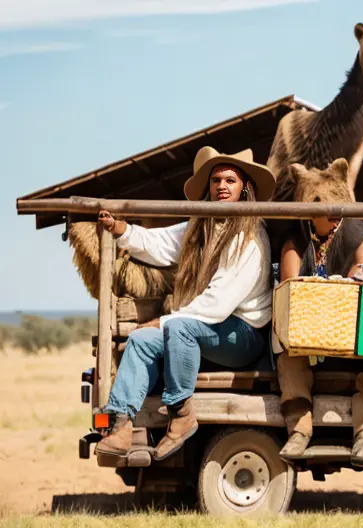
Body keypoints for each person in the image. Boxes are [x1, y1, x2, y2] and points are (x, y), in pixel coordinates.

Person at [94, 146, 276, 461]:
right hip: (205, 328)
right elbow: (160, 243)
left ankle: (181, 413)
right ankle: (121, 424)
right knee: (140, 339)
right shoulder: (201, 226)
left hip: (243, 335)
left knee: (176, 327)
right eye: (216, 180)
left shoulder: (250, 237)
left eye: (230, 180)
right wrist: (121, 230)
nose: (221, 186)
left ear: (245, 188)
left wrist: (163, 321)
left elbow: (219, 302)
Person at [271, 159, 363, 459]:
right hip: (309, 330)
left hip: (350, 326)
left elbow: (362, 278)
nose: (326, 210)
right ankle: (299, 428)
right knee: (288, 354)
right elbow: (292, 287)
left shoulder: (356, 230)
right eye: (317, 202)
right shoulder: (296, 238)